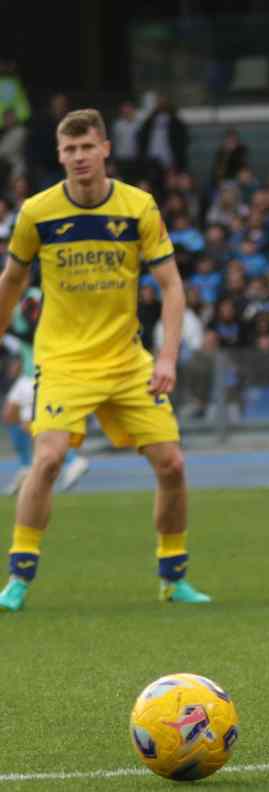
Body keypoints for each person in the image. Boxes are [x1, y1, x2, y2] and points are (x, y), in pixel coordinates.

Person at [0, 109, 211, 612]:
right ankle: (19, 577)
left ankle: (172, 574)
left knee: (172, 464)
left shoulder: (139, 207)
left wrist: (166, 357)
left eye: (87, 147)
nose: (78, 158)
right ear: (59, 155)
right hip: (64, 361)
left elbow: (171, 286)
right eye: (69, 150)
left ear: (105, 149)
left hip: (126, 361)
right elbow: (12, 281)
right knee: (48, 459)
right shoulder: (37, 212)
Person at [3, 287, 90, 495]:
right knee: (10, 416)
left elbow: (37, 333)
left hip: (41, 371)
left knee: (31, 425)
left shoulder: (33, 298)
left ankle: (72, 460)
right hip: (28, 372)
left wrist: (8, 330)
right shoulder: (16, 302)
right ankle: (26, 467)